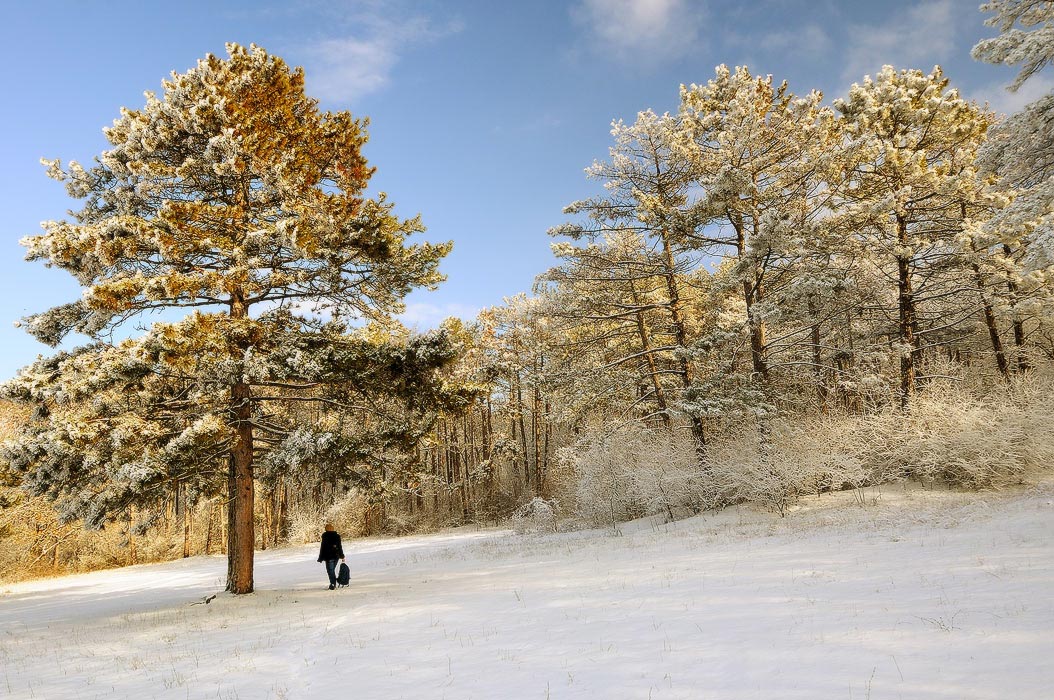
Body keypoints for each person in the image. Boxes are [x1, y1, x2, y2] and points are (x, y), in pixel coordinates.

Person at [317, 523, 346, 590]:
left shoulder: (325, 536)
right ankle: (334, 582)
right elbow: (339, 546)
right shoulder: (337, 536)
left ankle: (333, 584)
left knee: (330, 571)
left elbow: (323, 547)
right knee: (331, 570)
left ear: (326, 529)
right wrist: (342, 555)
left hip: (328, 557)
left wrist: (320, 558)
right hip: (336, 556)